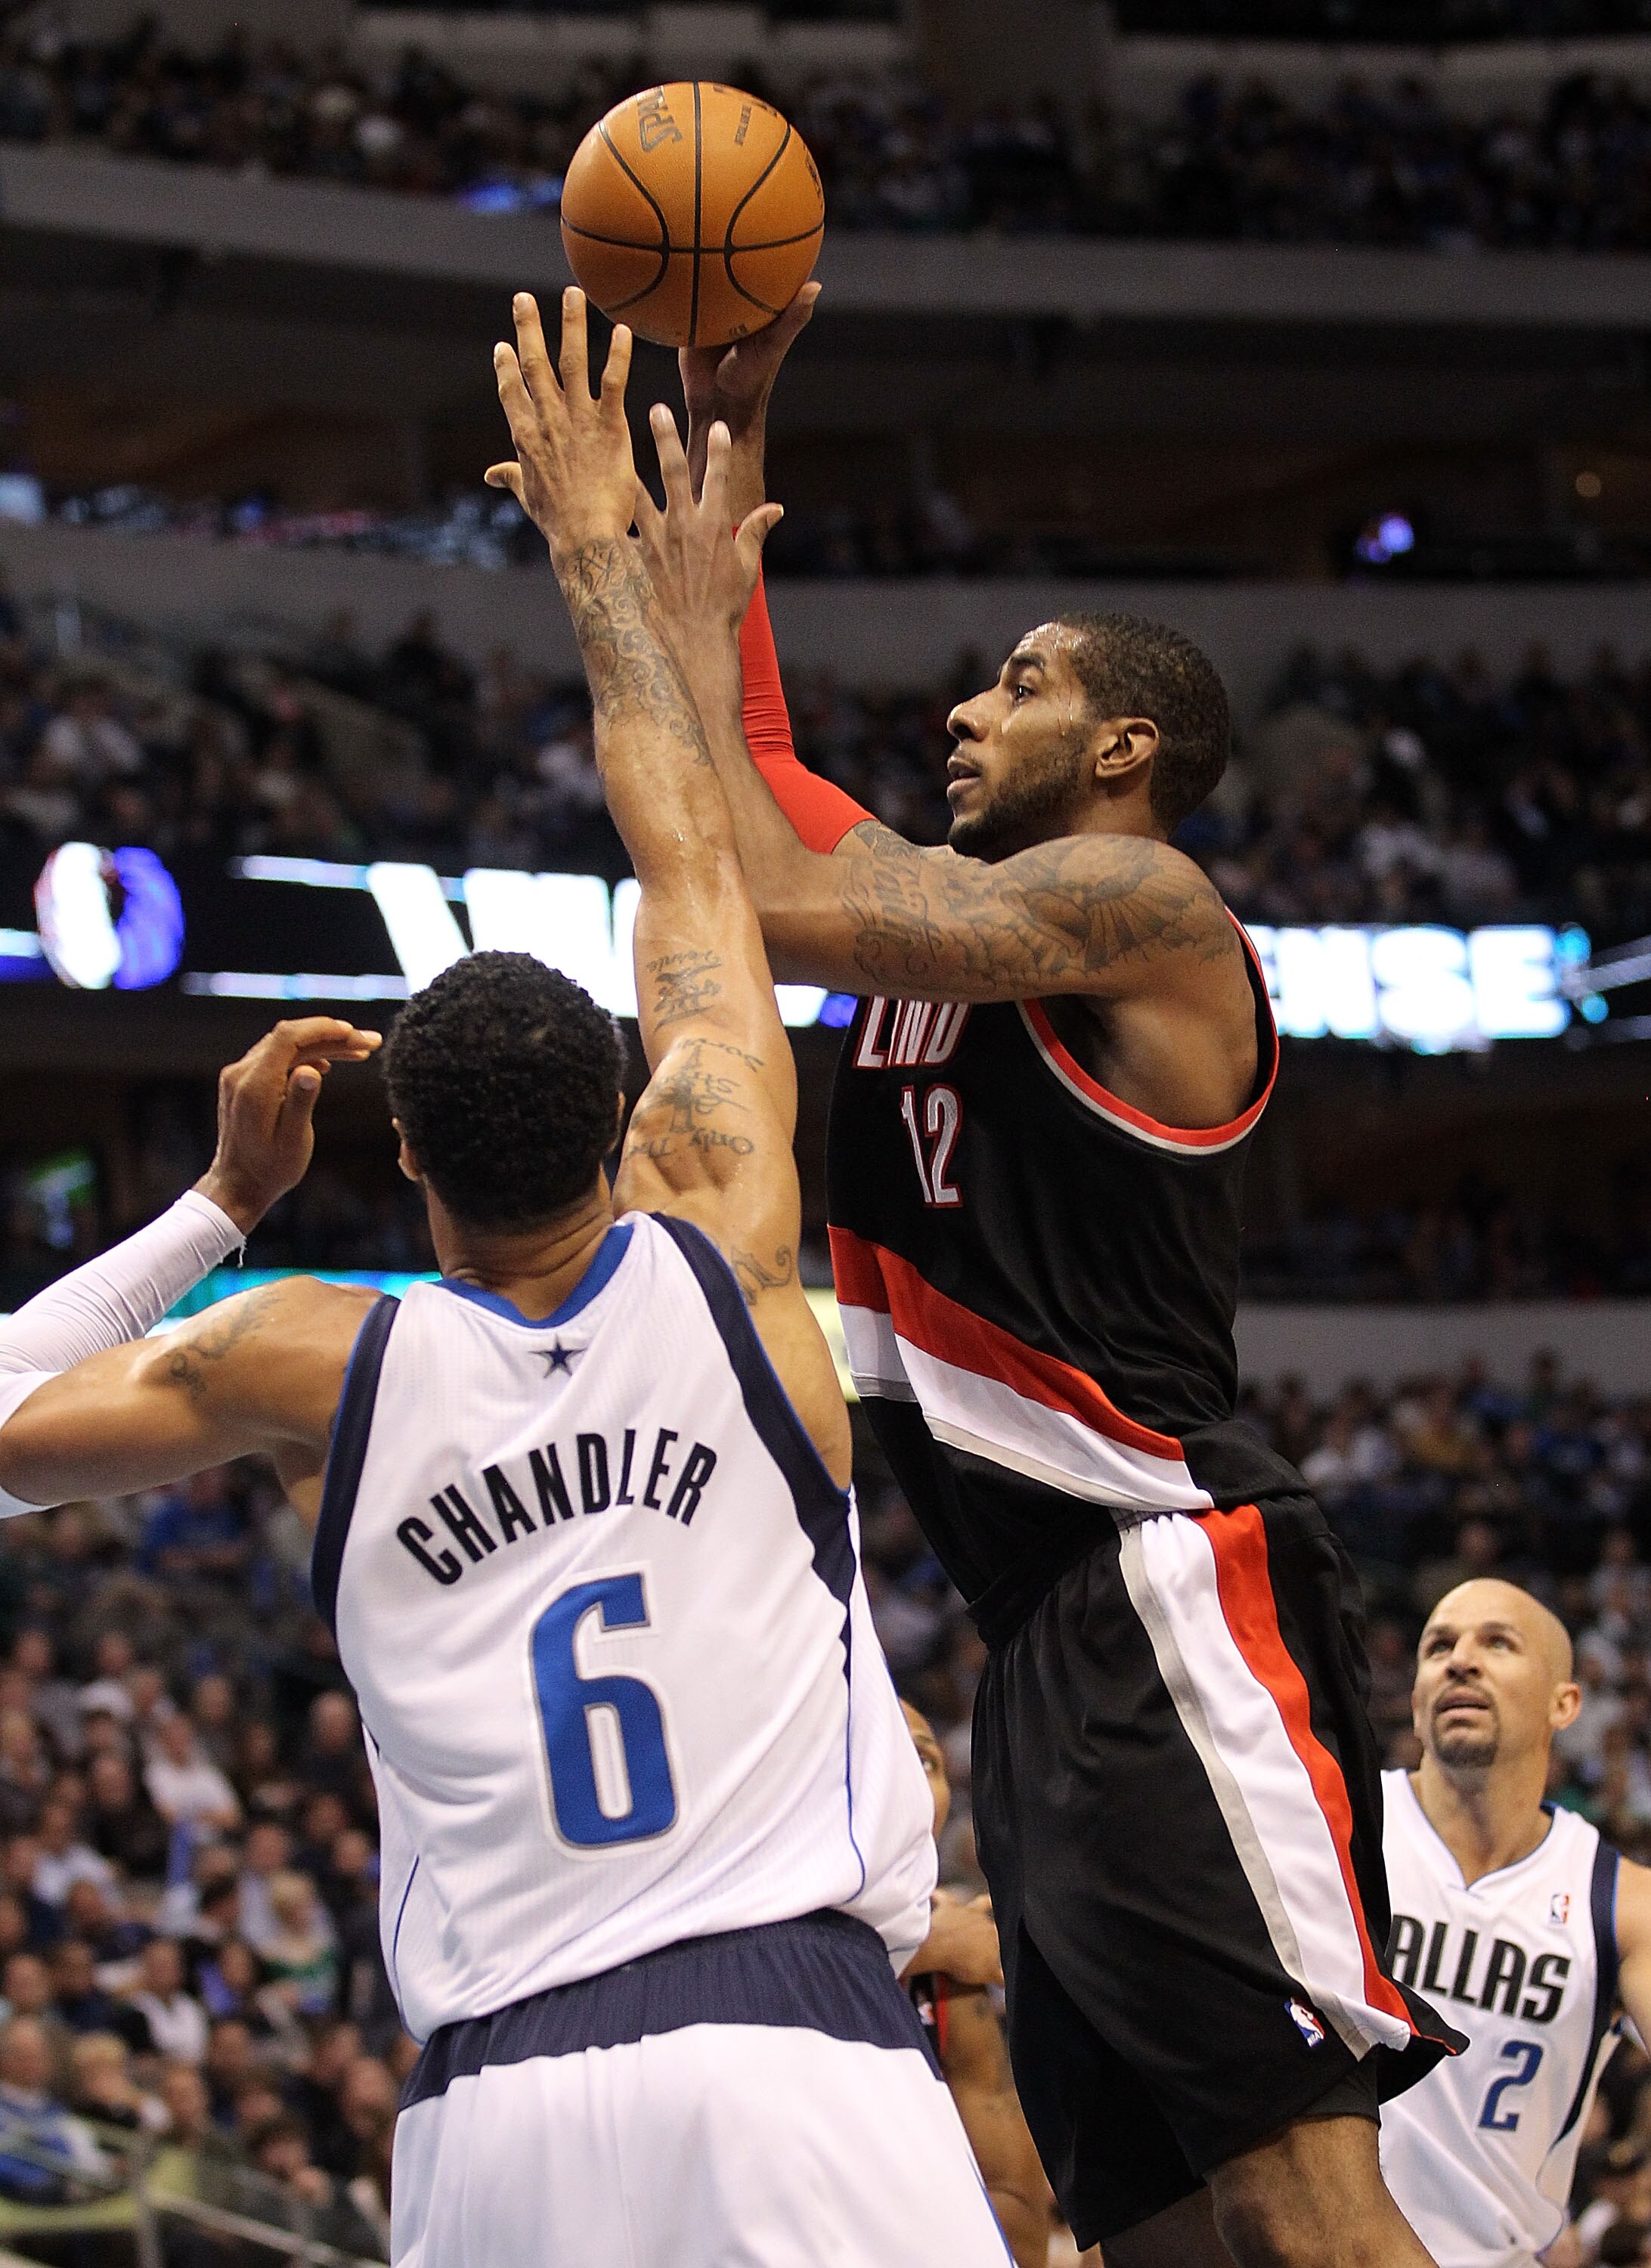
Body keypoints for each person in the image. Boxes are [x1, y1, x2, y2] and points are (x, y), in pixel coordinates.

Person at [0, 288, 1012, 2268]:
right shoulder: (725, 1245)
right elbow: (690, 858)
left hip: (494, 2115)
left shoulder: (306, 1359)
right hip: (788, 2052)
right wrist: (616, 567)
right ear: (633, 1113)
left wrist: (216, 1206)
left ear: (400, 1160)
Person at [620, 287, 1466, 2268]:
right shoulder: (964, 921)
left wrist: (634, 586)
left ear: (1127, 745)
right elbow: (749, 765)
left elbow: (776, 886)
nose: (963, 716)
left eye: (1013, 687)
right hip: (1043, 1655)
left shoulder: (1148, 907)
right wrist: (724, 435)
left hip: (1172, 1586)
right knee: (1150, 2227)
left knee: (1303, 2201)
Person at [1380, 1579, 1651, 2268]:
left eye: (1497, 1643)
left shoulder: (1620, 1903)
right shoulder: (1336, 1828)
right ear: (1415, 1703)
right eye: (1439, 1645)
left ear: (1566, 1702)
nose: (1460, 1660)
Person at [903, 1701, 1052, 2268]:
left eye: (927, 1759)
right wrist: (918, 1943)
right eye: (893, 1755)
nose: (914, 1778)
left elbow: (1009, 2198)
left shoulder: (951, 1958)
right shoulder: (947, 1944)